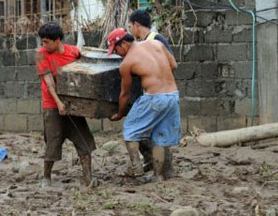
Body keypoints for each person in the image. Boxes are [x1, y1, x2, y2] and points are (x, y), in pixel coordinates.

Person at [107, 28, 180, 181]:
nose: (116, 53)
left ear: (125, 43)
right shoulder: (156, 44)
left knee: (130, 131)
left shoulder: (127, 63)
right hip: (173, 96)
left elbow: (125, 94)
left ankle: (137, 170)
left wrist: (120, 113)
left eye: (116, 49)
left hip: (154, 98)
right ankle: (158, 176)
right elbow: (173, 65)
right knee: (160, 137)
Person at [36, 22, 96, 188]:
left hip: (73, 104)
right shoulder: (41, 55)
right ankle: (46, 176)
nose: (43, 45)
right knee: (53, 141)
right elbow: (49, 83)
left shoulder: (73, 52)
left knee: (83, 140)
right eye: (42, 41)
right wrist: (59, 103)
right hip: (52, 104)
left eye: (47, 41)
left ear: (57, 40)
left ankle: (88, 177)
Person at [128, 10, 175, 177]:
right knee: (146, 132)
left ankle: (164, 170)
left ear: (136, 25)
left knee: (157, 133)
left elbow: (171, 64)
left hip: (159, 95)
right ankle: (154, 164)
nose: (130, 29)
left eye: (130, 26)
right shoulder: (143, 43)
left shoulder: (157, 40)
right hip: (150, 95)